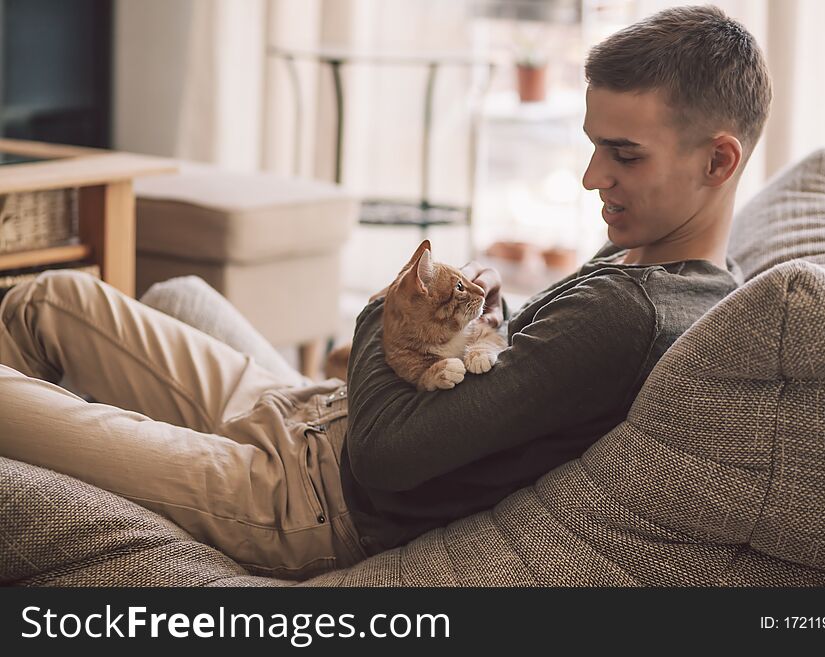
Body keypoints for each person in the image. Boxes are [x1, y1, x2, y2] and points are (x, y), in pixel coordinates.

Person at [0, 5, 771, 579]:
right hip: (303, 409)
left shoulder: (627, 312)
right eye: (593, 144)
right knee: (51, 298)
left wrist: (380, 311)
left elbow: (387, 456)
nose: (591, 177)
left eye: (624, 155)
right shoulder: (663, 270)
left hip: (299, 498)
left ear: (719, 160)